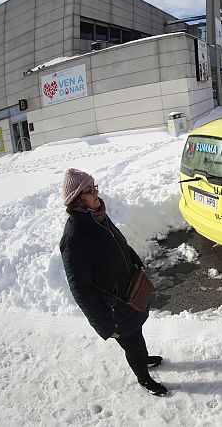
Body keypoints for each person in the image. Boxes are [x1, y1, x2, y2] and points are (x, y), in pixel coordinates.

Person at [59, 169, 167, 396]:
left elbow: (117, 242)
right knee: (132, 341)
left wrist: (133, 259)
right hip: (113, 307)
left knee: (135, 335)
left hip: (128, 292)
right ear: (77, 199)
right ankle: (144, 379)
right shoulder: (75, 236)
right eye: (89, 190)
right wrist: (105, 324)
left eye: (94, 186)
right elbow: (79, 288)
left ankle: (141, 357)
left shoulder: (97, 215)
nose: (96, 192)